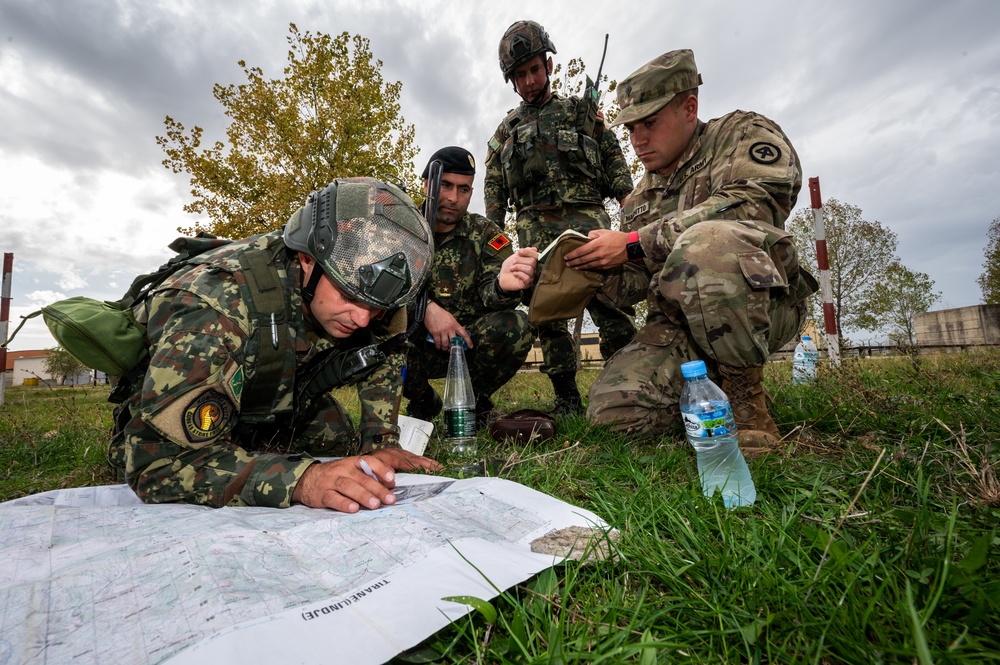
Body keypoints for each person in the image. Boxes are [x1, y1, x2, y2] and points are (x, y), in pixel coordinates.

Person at [109, 177, 442, 511]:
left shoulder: (363, 288)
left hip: (269, 401)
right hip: (193, 403)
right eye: (349, 296)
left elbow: (385, 349)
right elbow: (157, 467)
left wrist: (379, 441)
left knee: (336, 437)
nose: (362, 320)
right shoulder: (217, 306)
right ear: (308, 260)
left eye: (376, 308)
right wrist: (302, 481)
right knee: (190, 459)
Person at [564, 49, 818, 456]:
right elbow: (631, 286)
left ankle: (747, 406)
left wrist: (634, 243)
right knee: (612, 413)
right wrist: (585, 266)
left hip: (760, 307)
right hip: (679, 325)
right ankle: (703, 393)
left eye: (649, 123)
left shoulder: (739, 134)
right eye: (630, 128)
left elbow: (759, 200)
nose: (638, 139)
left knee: (707, 243)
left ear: (689, 107)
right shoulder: (638, 198)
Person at [484, 19, 635, 415]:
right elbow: (495, 184)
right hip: (535, 226)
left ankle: (627, 384)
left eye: (534, 69)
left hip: (589, 219)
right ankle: (566, 394)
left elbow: (612, 153)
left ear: (548, 65)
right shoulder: (506, 132)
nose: (530, 80)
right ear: (512, 81)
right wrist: (494, 236)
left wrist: (630, 199)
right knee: (547, 312)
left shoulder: (579, 113)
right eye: (520, 75)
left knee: (611, 300)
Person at [404, 146, 538, 426]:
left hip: (466, 345)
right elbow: (375, 292)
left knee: (516, 325)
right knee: (374, 334)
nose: (453, 198)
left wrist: (503, 287)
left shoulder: (487, 234)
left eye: (463, 189)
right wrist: (426, 308)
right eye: (446, 186)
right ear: (428, 184)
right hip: (413, 345)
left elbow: (492, 296)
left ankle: (473, 400)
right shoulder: (400, 227)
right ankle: (422, 400)